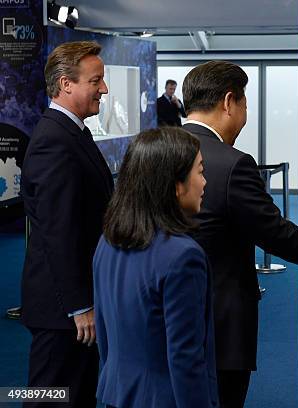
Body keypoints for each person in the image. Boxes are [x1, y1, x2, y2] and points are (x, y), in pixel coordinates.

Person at [181, 61, 298, 408]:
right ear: (229, 102)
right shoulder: (232, 163)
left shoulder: (148, 150)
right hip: (217, 324)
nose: (245, 115)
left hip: (158, 318)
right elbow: (272, 230)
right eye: (245, 105)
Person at [93, 127, 217, 408]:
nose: (205, 182)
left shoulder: (107, 241)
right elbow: (185, 359)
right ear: (175, 185)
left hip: (116, 393)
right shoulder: (183, 257)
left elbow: (105, 336)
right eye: (199, 171)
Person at [20, 41, 113, 407]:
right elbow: (59, 233)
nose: (104, 89)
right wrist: (79, 306)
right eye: (97, 80)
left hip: (74, 304)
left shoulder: (72, 132)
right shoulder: (54, 141)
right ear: (66, 84)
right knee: (49, 398)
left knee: (76, 395)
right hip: (63, 311)